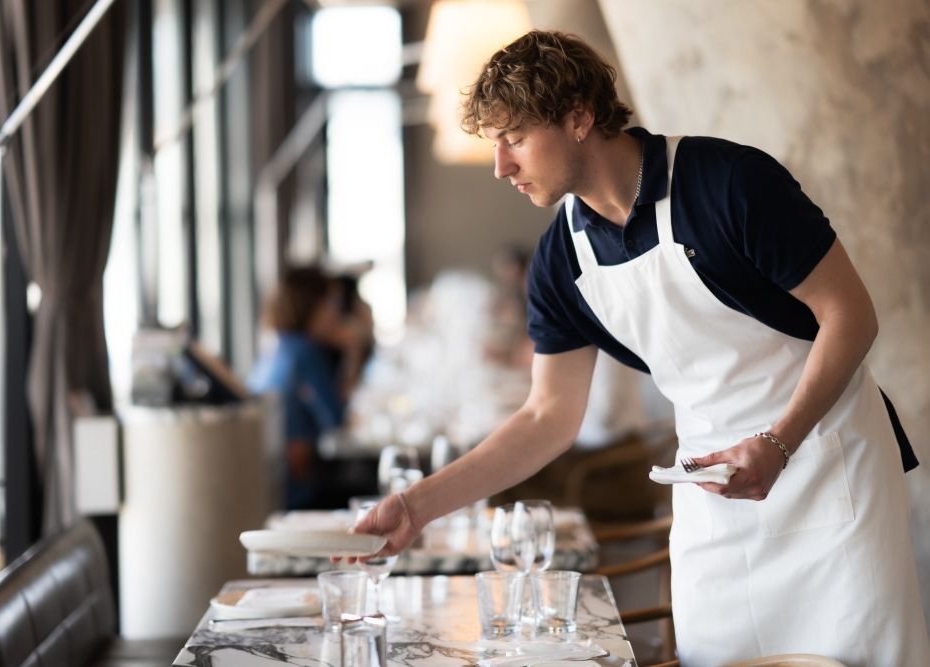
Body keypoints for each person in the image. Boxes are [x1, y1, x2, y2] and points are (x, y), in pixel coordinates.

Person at [349, 30, 929, 666]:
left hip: (828, 469)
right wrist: (417, 507)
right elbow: (547, 418)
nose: (501, 167)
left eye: (514, 138)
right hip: (713, 503)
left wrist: (779, 442)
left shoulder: (729, 183)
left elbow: (852, 315)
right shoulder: (562, 258)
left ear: (579, 118)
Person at [247, 266, 368, 510]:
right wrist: (353, 351)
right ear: (312, 306)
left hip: (269, 489)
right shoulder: (306, 353)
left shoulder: (277, 348)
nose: (337, 313)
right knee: (376, 489)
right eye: (331, 303)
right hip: (300, 495)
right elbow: (336, 421)